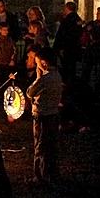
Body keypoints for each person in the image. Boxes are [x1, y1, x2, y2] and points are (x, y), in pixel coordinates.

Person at [26, 46, 63, 185]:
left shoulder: (45, 79)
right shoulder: (57, 75)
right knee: (51, 146)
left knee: (40, 146)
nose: (36, 65)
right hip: (53, 114)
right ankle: (51, 173)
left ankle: (40, 176)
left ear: (43, 63)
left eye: (37, 63)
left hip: (42, 116)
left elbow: (30, 92)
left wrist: (38, 77)